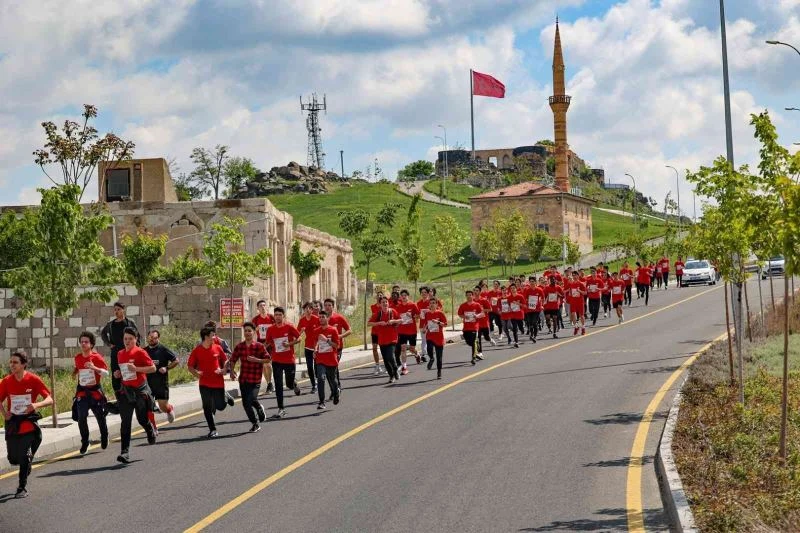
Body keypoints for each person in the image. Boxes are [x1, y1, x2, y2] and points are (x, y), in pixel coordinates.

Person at [1, 350, 53, 498]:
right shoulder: (6, 381)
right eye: (11, 362)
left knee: (23, 456)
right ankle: (27, 461)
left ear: (24, 364)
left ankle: (21, 487)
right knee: (13, 459)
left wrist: (36, 405)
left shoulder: (33, 380)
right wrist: (5, 414)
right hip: (13, 425)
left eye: (15, 362)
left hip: (29, 425)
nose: (12, 365)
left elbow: (50, 399)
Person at [114, 327, 157, 463]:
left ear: (136, 339)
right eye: (125, 339)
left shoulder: (140, 352)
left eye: (130, 339)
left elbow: (153, 368)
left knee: (141, 419)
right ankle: (124, 452)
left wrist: (136, 369)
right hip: (126, 391)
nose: (127, 341)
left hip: (140, 391)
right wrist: (118, 374)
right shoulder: (120, 353)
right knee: (125, 422)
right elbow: (122, 371)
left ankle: (149, 429)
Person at [188, 327, 229, 438]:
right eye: (213, 335)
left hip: (218, 382)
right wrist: (196, 373)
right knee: (207, 407)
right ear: (206, 337)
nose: (215, 338)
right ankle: (212, 429)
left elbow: (225, 360)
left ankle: (225, 397)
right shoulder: (197, 350)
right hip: (204, 383)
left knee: (220, 406)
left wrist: (224, 370)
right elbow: (190, 366)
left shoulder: (218, 348)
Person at [73, 331, 109, 455]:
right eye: (81, 342)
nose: (83, 344)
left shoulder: (97, 357)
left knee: (100, 417)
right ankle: (85, 441)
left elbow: (106, 373)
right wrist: (74, 373)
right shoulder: (77, 357)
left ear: (91, 344)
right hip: (82, 392)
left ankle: (104, 436)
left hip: (95, 392)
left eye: (86, 342)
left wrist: (94, 368)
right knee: (81, 417)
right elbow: (78, 367)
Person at [228, 322, 269, 432]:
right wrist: (231, 371)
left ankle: (258, 410)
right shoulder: (240, 346)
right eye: (245, 331)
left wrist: (257, 360)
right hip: (243, 379)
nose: (247, 333)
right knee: (246, 403)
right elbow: (233, 359)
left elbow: (268, 359)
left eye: (249, 330)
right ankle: (255, 422)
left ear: (254, 332)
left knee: (250, 399)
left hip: (255, 379)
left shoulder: (259, 346)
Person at [263, 307, 302, 418]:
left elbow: (299, 338)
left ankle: (293, 384)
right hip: (276, 361)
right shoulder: (270, 329)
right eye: (276, 315)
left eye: (280, 314)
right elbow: (268, 342)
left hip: (289, 360)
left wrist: (289, 344)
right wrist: (259, 350)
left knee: (289, 384)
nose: (278, 317)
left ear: (283, 316)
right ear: (274, 316)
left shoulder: (289, 326)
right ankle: (281, 408)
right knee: (279, 385)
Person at [144, 330, 179, 435]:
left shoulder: (163, 349)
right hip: (147, 383)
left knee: (162, 406)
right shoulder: (144, 351)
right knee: (148, 406)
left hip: (161, 382)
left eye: (154, 338)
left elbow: (176, 360)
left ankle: (169, 409)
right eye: (150, 337)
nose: (152, 340)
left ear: (158, 338)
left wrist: (166, 368)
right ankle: (153, 428)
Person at [100, 302, 139, 394]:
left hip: (128, 353)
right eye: (115, 310)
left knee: (129, 372)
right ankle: (119, 395)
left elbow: (137, 336)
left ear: (123, 310)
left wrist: (135, 349)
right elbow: (103, 334)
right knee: (116, 374)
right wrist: (109, 344)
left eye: (118, 309)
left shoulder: (130, 323)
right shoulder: (110, 324)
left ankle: (131, 393)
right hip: (116, 353)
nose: (116, 311)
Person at [368, 296, 402, 383]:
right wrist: (379, 323)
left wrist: (393, 321)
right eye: (383, 302)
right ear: (380, 304)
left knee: (390, 356)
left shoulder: (393, 311)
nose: (385, 304)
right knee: (386, 360)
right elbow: (369, 323)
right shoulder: (378, 314)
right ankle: (391, 376)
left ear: (388, 303)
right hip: (382, 339)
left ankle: (395, 370)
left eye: (386, 302)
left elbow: (401, 320)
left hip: (392, 338)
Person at [312, 311, 341, 409]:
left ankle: (336, 392)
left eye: (323, 317)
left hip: (331, 360)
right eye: (319, 317)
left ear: (327, 318)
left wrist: (327, 340)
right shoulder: (316, 331)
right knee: (320, 378)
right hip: (320, 360)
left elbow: (337, 346)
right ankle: (321, 402)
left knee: (332, 380)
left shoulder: (333, 330)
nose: (321, 319)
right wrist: (315, 350)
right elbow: (315, 343)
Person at [324, 298, 351, 398]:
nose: (327, 307)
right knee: (328, 372)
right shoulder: (322, 319)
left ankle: (336, 388)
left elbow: (349, 330)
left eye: (329, 305)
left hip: (337, 348)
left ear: (333, 306)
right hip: (325, 350)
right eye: (325, 305)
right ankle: (334, 389)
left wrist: (340, 336)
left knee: (333, 369)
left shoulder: (339, 317)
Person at [395, 290, 421, 375]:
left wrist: (412, 316)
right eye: (402, 295)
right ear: (400, 297)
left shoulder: (413, 305)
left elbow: (418, 316)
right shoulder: (398, 307)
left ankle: (417, 354)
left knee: (412, 349)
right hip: (402, 331)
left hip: (412, 330)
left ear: (408, 296)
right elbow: (396, 318)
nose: (403, 297)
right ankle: (404, 367)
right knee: (403, 348)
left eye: (405, 295)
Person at [252, 300, 275, 394]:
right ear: (258, 308)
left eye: (264, 305)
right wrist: (255, 330)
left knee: (267, 364)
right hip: (260, 343)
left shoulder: (271, 317)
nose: (263, 307)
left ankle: (270, 384)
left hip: (270, 343)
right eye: (260, 306)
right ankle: (269, 383)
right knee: (264, 365)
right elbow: (251, 332)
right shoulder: (255, 319)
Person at [297, 302, 321, 393]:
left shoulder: (317, 319)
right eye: (306, 308)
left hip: (317, 347)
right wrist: (301, 331)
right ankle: (314, 385)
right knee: (310, 367)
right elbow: (297, 334)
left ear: (312, 310)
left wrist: (317, 346)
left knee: (317, 367)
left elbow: (321, 332)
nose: (307, 310)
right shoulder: (302, 320)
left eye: (309, 308)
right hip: (307, 347)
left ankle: (319, 382)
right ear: (304, 310)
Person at [458, 290, 484, 364]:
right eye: (467, 295)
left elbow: (482, 314)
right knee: (468, 342)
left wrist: (476, 316)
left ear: (472, 296)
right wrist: (464, 316)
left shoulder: (477, 305)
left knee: (473, 342)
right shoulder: (463, 305)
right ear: (466, 296)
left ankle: (473, 358)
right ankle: (477, 344)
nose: (469, 296)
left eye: (470, 295)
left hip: (474, 327)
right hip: (466, 327)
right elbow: (459, 314)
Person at [566, 271, 587, 336]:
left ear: (578, 276)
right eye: (573, 275)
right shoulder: (571, 284)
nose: (574, 277)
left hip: (580, 302)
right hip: (573, 302)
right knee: (573, 314)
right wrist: (568, 299)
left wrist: (579, 291)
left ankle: (583, 328)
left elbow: (585, 293)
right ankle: (576, 327)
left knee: (581, 316)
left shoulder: (581, 284)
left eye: (575, 275)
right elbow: (570, 293)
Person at [369, 292, 385, 375]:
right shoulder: (373, 307)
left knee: (383, 349)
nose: (379, 296)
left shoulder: (385, 307)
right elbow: (373, 317)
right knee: (374, 348)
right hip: (375, 331)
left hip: (383, 331)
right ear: (376, 297)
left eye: (381, 295)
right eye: (378, 295)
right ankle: (377, 365)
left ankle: (386, 364)